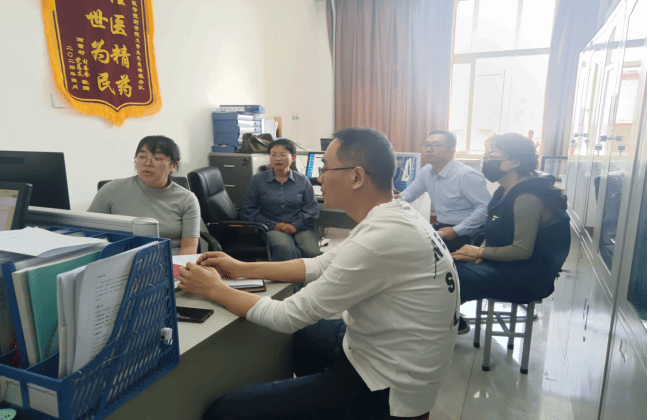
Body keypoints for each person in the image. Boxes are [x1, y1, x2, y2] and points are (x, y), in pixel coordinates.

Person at [176, 127, 460, 420]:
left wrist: (214, 288)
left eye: (325, 169)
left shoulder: (380, 238)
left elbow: (286, 315)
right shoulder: (394, 215)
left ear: (357, 177)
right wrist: (240, 267)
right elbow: (320, 265)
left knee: (224, 412)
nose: (319, 178)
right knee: (304, 337)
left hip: (389, 385)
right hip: (393, 350)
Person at [451, 133, 570, 333]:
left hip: (527, 277)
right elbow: (492, 229)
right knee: (449, 265)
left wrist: (479, 252)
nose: (486, 161)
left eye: (492, 156)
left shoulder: (527, 197)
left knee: (449, 273)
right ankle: (448, 319)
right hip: (508, 266)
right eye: (486, 156)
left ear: (515, 162)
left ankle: (445, 323)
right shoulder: (504, 191)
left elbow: (521, 250)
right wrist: (479, 253)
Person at [88, 135, 200, 255]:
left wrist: (178, 266)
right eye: (142, 157)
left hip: (170, 261)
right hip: (121, 259)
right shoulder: (112, 189)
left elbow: (189, 247)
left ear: (173, 165)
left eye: (157, 159)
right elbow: (87, 230)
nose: (147, 163)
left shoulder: (187, 200)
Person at [400, 130, 491, 252]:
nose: (429, 149)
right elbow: (410, 193)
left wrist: (457, 230)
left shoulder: (466, 175)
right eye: (426, 145)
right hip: (443, 228)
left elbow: (485, 207)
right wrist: (391, 199)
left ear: (451, 151)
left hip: (468, 232)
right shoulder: (426, 171)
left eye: (436, 145)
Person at [241, 138, 321, 261]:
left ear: (293, 157)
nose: (278, 159)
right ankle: (286, 273)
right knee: (285, 248)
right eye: (273, 155)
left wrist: (295, 225)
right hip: (271, 227)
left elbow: (311, 209)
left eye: (283, 155)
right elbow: (249, 210)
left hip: (299, 226)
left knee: (312, 252)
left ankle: (303, 273)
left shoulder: (302, 180)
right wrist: (273, 225)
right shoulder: (258, 180)